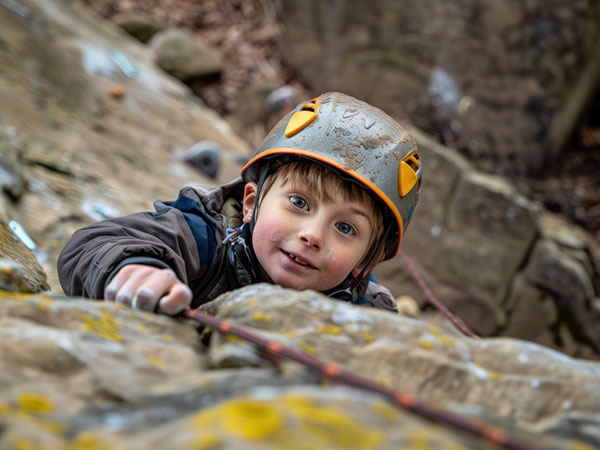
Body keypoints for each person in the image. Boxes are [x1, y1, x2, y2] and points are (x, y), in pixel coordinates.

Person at [57, 92, 422, 315]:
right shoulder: (203, 236)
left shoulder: (369, 312)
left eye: (345, 228)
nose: (313, 236)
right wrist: (133, 269)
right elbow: (91, 245)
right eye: (298, 202)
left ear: (364, 263)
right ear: (251, 204)